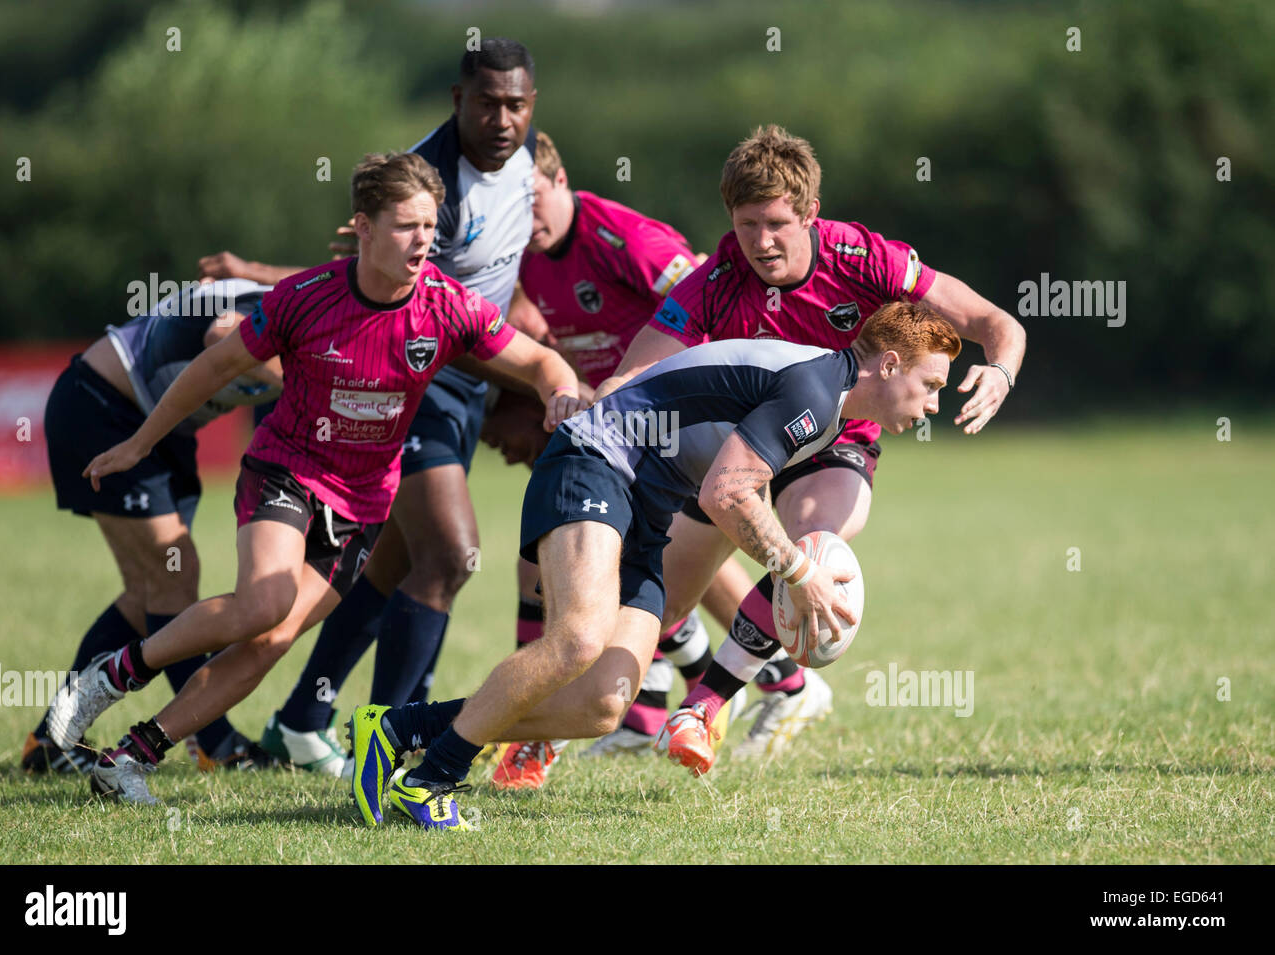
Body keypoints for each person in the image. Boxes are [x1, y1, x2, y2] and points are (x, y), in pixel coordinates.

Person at [45, 152, 582, 805]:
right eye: (405, 226)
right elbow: (214, 366)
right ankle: (110, 676)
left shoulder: (447, 307)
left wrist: (561, 392)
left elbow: (539, 361)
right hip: (287, 471)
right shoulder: (304, 298)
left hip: (362, 503)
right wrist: (139, 441)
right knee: (262, 605)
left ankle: (126, 759)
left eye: (429, 226)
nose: (422, 241)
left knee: (269, 641)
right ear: (362, 225)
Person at [348, 299, 961, 830]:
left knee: (603, 704)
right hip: (596, 460)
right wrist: (798, 574)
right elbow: (728, 494)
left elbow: (721, 490)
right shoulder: (816, 391)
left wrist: (792, 568)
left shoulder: (827, 405)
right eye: (930, 385)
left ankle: (402, 729)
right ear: (888, 365)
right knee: (578, 639)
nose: (932, 404)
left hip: (647, 505)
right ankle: (430, 779)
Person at [593, 124, 1027, 770]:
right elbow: (640, 368)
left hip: (837, 441)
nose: (762, 242)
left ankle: (704, 705)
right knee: (663, 599)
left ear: (809, 215)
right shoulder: (717, 278)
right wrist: (590, 402)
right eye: (746, 224)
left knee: (813, 541)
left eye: (776, 223)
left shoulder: (864, 259)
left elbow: (997, 324)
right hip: (743, 449)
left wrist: (1001, 369)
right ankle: (549, 731)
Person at [199, 39, 545, 773]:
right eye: (487, 103)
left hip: (466, 377)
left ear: (532, 105)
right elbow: (350, 282)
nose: (502, 118)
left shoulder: (530, 157)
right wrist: (252, 273)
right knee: (449, 554)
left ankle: (302, 717)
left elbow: (508, 254)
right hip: (410, 381)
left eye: (516, 104)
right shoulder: (430, 186)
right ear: (459, 101)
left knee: (386, 563)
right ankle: (393, 738)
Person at [484, 130, 755, 789]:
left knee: (649, 573)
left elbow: (706, 302)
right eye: (509, 211)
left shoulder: (623, 238)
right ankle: (646, 707)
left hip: (675, 420)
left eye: (532, 201)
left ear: (561, 179)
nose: (524, 222)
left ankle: (769, 678)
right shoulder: (526, 254)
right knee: (599, 576)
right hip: (614, 426)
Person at [27, 279, 282, 774]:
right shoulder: (289, 306)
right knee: (172, 578)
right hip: (104, 406)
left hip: (163, 427)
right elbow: (220, 334)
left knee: (151, 591)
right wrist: (301, 376)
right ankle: (214, 741)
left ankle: (50, 741)